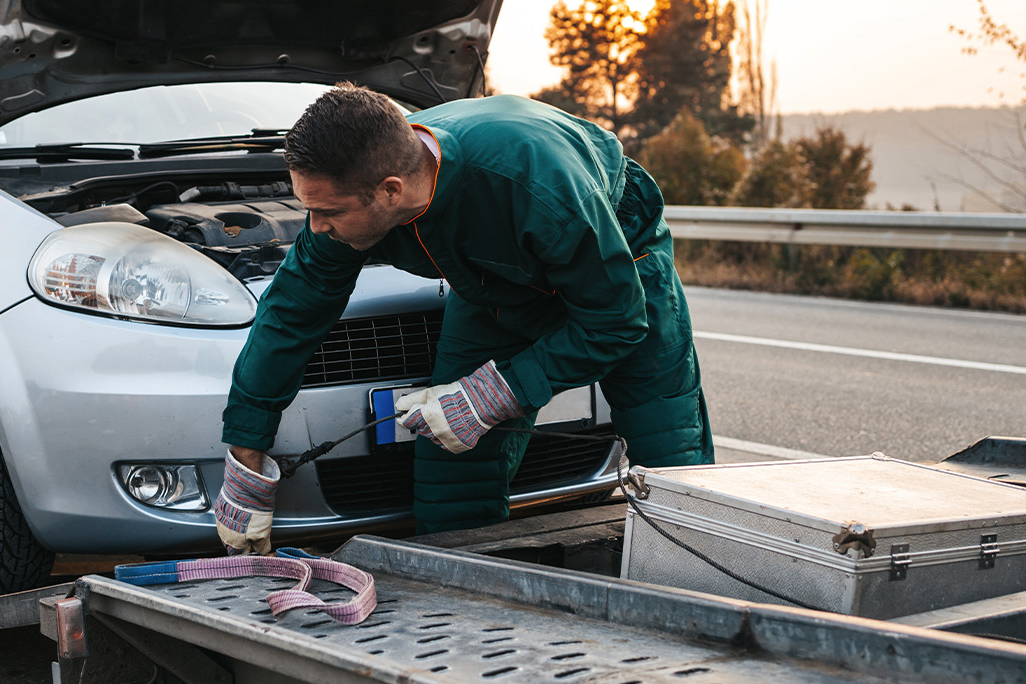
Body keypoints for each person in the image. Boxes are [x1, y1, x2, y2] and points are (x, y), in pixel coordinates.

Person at [213, 84, 712, 554]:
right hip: (493, 281)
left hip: (619, 259)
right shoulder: (359, 186)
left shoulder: (542, 188)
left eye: (329, 213)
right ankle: (470, 599)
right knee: (452, 461)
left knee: (666, 442)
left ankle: (699, 585)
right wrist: (245, 453)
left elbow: (616, 322)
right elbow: (290, 313)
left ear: (390, 191)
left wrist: (496, 393)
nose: (316, 227)